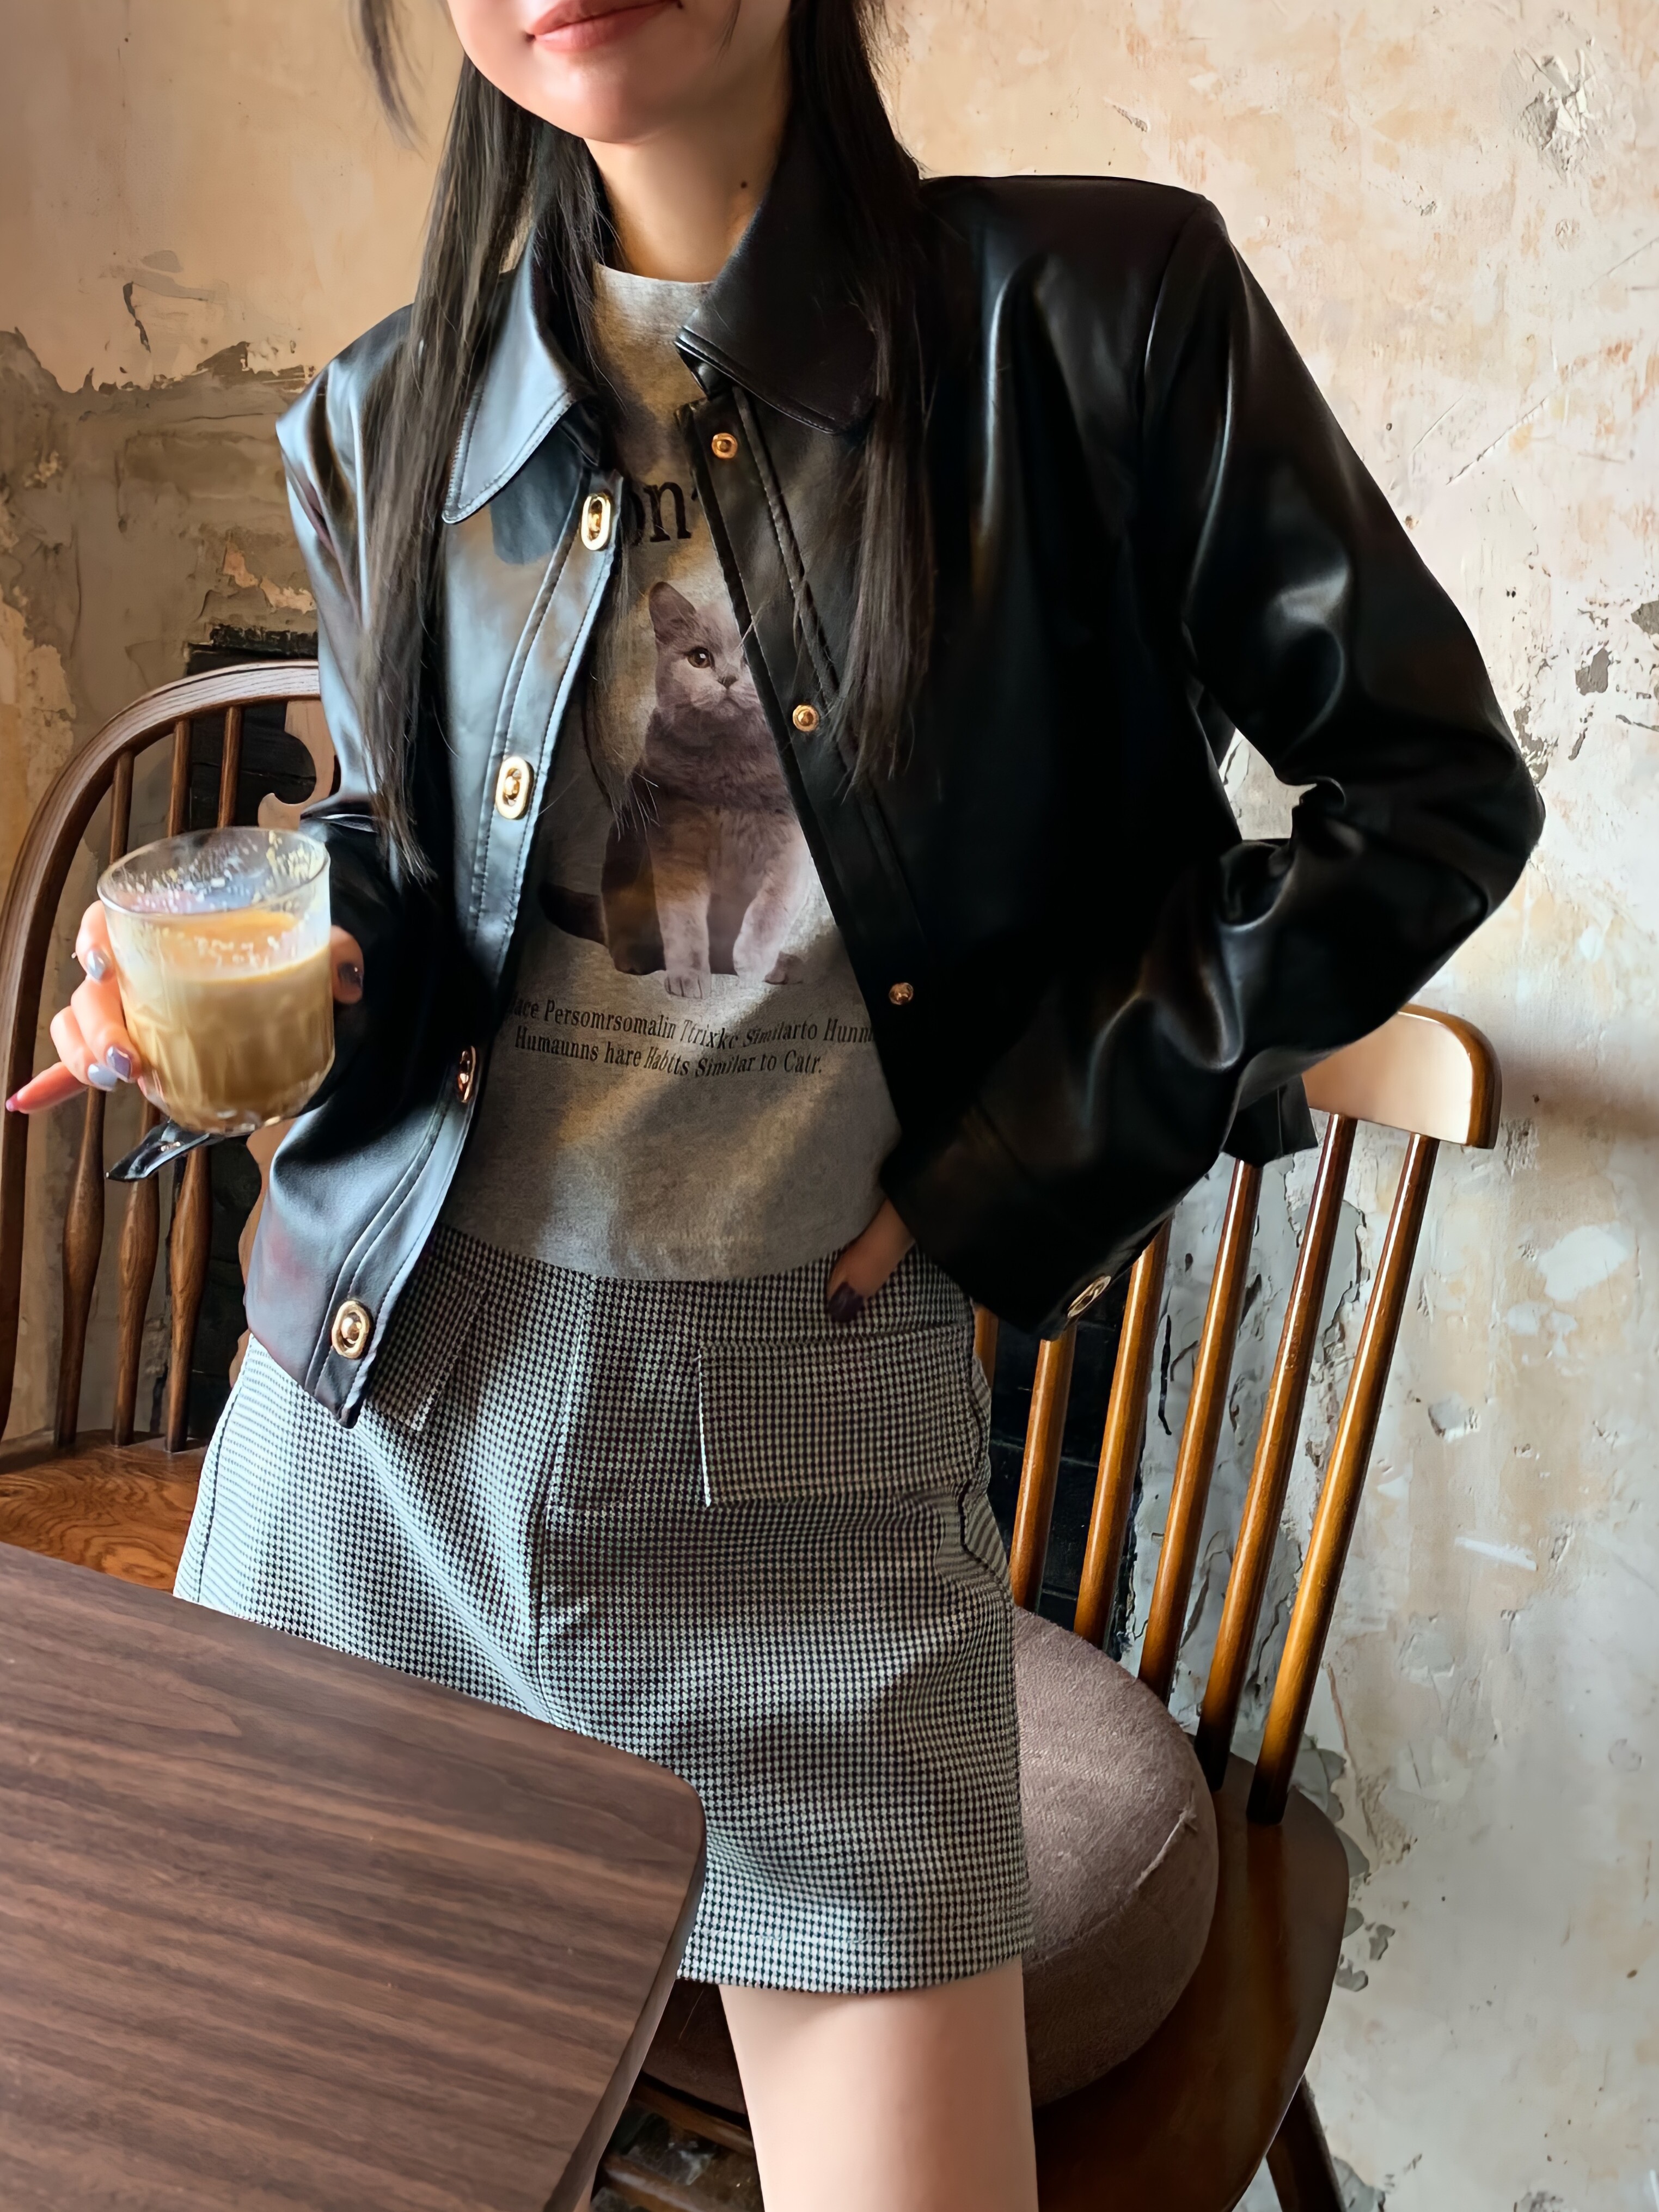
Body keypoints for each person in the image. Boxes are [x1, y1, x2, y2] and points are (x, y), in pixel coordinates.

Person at [24, 0, 1544, 2202]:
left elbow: (1429, 794)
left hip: (811, 1476)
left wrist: (1024, 1158)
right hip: (371, 1457)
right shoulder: (382, 412)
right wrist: (284, 960)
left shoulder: (1099, 328)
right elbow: (414, 871)